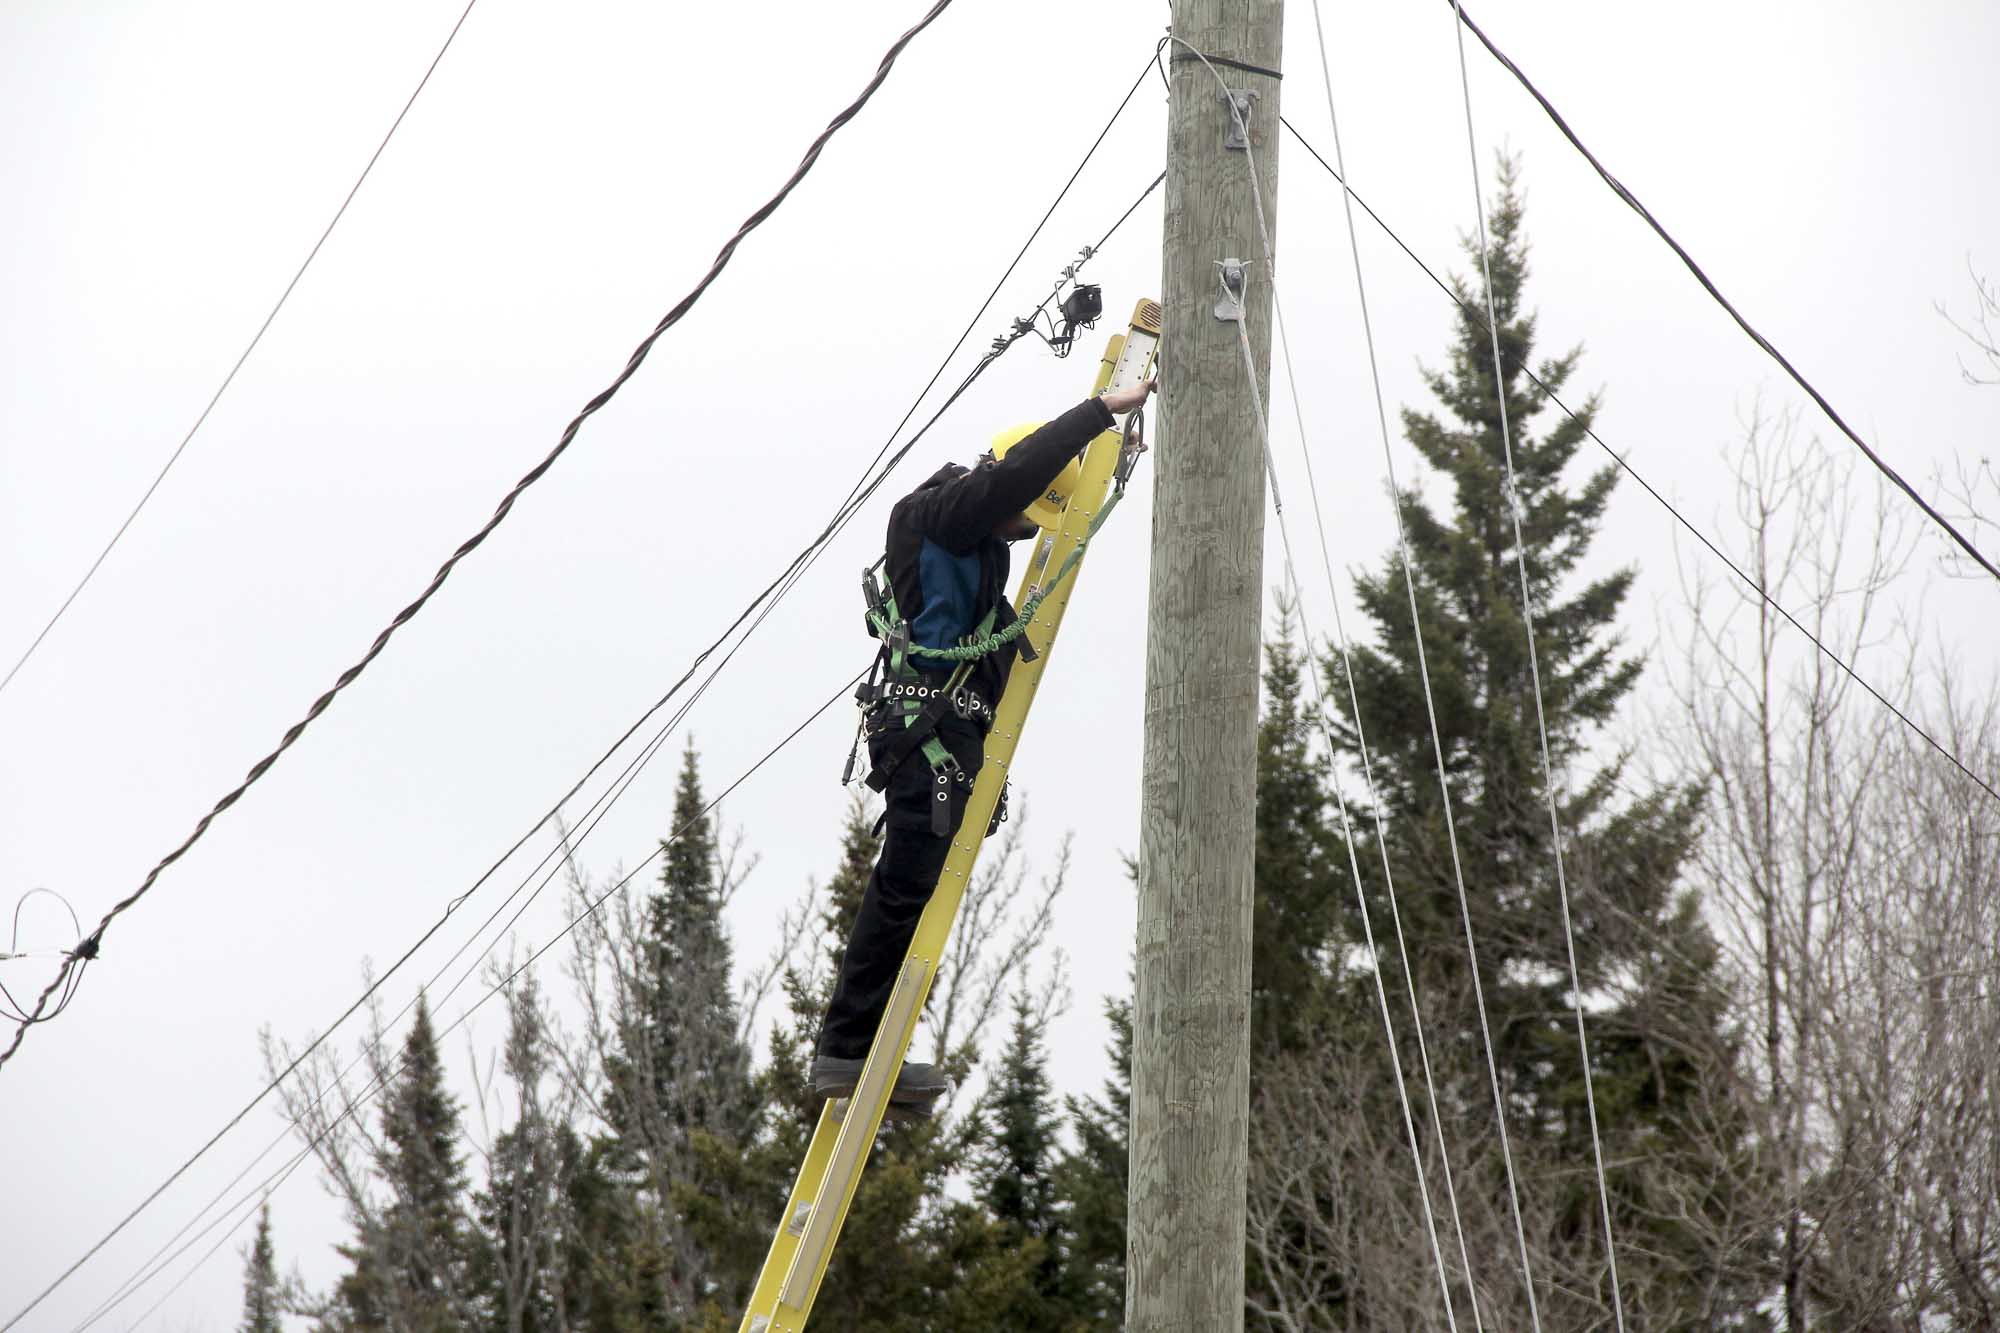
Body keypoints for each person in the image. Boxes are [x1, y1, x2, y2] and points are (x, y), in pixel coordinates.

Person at [811, 379, 1157, 1106]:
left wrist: (1114, 456)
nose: (1020, 533)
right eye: (1019, 522)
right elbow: (1018, 476)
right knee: (903, 889)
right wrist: (1103, 411)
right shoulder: (935, 516)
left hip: (952, 737)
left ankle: (872, 1048)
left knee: (920, 895)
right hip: (922, 733)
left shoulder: (979, 546)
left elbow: (1034, 501)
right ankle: (845, 1047)